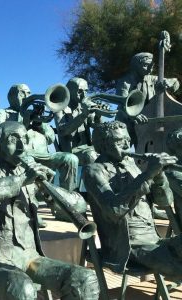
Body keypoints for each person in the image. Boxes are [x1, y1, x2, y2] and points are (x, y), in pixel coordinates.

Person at [0, 121, 99, 300]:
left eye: (24, 140)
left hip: (31, 258)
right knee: (22, 288)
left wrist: (50, 191)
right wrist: (22, 180)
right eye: (13, 139)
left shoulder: (32, 179)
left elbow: (79, 205)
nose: (21, 146)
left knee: (84, 279)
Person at [83, 120, 182, 277]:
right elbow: (114, 210)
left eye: (128, 140)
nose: (126, 146)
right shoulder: (93, 171)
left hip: (153, 240)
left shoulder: (131, 164)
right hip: (127, 247)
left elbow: (163, 201)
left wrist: (159, 176)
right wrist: (147, 174)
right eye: (119, 140)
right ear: (103, 144)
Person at [115, 52, 180, 147]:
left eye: (151, 66)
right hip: (127, 122)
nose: (150, 69)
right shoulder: (124, 82)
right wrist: (133, 115)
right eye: (146, 65)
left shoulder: (152, 79)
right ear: (135, 65)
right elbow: (122, 102)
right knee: (123, 149)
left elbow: (175, 82)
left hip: (146, 123)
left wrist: (171, 82)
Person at [54, 77, 100, 166]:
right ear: (69, 91)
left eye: (86, 91)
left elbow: (97, 127)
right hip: (70, 152)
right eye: (80, 91)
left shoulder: (84, 107)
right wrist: (83, 115)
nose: (84, 95)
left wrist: (98, 116)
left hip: (87, 148)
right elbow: (63, 131)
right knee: (91, 156)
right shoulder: (59, 109)